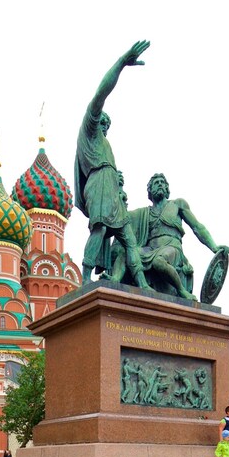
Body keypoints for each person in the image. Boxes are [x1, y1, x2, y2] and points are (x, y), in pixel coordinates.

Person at [74, 41, 151, 289]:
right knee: (99, 229)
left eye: (107, 123)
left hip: (111, 187)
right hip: (100, 184)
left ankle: (142, 283)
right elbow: (101, 94)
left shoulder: (104, 142)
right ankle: (85, 278)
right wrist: (121, 63)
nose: (105, 124)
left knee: (128, 238)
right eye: (103, 120)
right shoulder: (90, 129)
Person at [107, 173, 228, 299]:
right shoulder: (144, 213)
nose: (160, 184)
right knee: (128, 252)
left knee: (159, 261)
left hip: (172, 248)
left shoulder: (178, 204)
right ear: (150, 191)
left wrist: (214, 247)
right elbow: (121, 217)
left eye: (162, 182)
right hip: (150, 250)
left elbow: (197, 227)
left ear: (167, 189)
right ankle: (114, 280)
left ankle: (181, 290)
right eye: (156, 183)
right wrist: (117, 189)